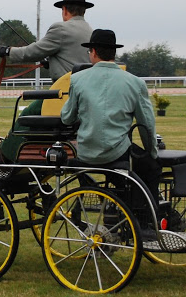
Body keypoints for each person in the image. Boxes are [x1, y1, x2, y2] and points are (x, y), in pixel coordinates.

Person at [0, 0, 94, 163]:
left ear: (64, 9)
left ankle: (5, 155)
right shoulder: (89, 30)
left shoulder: (60, 29)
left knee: (27, 114)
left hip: (62, 97)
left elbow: (32, 51)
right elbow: (74, 60)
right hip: (81, 96)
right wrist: (53, 62)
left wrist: (8, 51)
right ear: (84, 10)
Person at [60, 29, 161, 195]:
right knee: (152, 168)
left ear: (93, 52)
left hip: (86, 152)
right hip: (118, 153)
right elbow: (146, 124)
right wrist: (152, 152)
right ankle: (146, 214)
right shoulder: (135, 83)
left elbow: (66, 118)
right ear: (114, 53)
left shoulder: (77, 80)